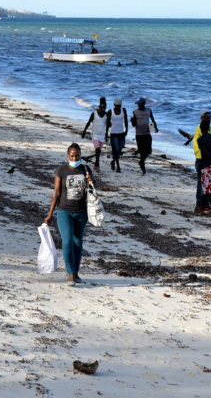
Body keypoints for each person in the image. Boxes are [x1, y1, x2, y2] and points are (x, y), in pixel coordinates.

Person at [44, 143, 94, 286]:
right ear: (68, 156)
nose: (75, 157)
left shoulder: (85, 169)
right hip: (64, 211)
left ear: (80, 155)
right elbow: (56, 192)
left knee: (78, 243)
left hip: (81, 213)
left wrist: (91, 181)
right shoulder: (61, 170)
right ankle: (70, 273)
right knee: (67, 241)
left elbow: (92, 190)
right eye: (72, 155)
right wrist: (50, 214)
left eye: (77, 155)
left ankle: (76, 273)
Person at [196, 119, 211, 216]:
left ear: (201, 129)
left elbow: (205, 152)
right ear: (208, 128)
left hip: (205, 166)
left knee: (208, 190)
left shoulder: (200, 140)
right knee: (207, 189)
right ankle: (203, 207)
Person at [131, 97, 158, 174]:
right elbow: (134, 125)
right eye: (138, 104)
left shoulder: (149, 110)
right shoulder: (135, 112)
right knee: (141, 151)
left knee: (148, 151)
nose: (138, 105)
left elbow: (153, 120)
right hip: (139, 134)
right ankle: (142, 164)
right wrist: (132, 121)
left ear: (143, 104)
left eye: (139, 104)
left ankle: (142, 161)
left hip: (147, 133)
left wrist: (155, 128)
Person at [81, 97, 108, 171]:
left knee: (99, 151)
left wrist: (107, 135)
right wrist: (84, 131)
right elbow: (89, 122)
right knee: (97, 149)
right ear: (99, 107)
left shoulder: (106, 115)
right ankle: (97, 164)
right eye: (102, 107)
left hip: (102, 135)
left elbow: (108, 125)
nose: (103, 109)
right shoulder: (94, 113)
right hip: (95, 134)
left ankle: (96, 162)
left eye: (104, 107)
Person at [106, 98, 128, 173]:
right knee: (116, 150)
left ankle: (113, 161)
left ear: (121, 105)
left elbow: (126, 120)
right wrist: (106, 133)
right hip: (113, 134)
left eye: (119, 106)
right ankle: (118, 166)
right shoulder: (110, 111)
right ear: (114, 105)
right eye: (117, 106)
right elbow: (107, 123)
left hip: (121, 133)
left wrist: (127, 130)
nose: (118, 107)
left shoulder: (124, 110)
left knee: (120, 148)